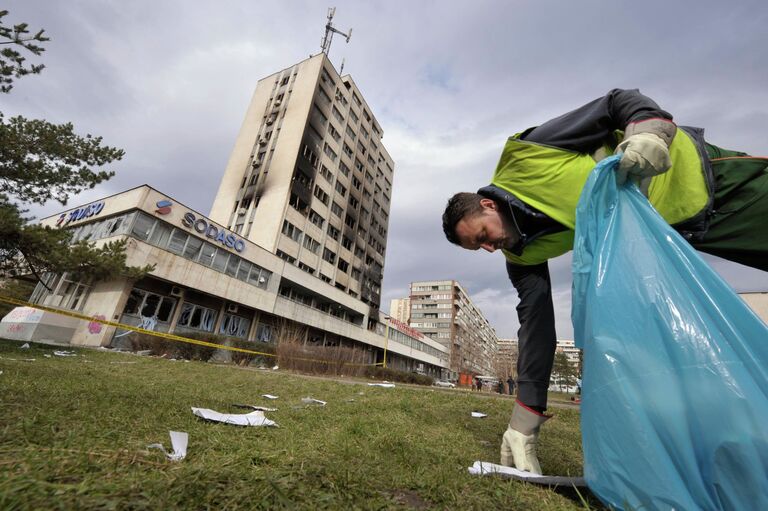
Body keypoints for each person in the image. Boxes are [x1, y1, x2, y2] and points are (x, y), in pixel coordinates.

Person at [442, 88, 768, 475]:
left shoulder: (527, 155)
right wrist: (524, 416)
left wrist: (648, 132)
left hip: (712, 180)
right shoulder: (522, 255)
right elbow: (536, 325)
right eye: (478, 249)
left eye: (481, 236)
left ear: (488, 205)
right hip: (686, 232)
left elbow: (615, 102)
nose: (489, 249)